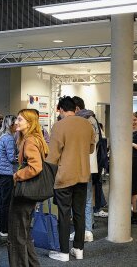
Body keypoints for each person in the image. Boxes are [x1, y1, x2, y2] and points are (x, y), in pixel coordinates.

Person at [46, 96, 94, 262]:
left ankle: (64, 252)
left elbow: (52, 156)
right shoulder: (87, 124)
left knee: (64, 214)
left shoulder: (59, 126)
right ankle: (79, 249)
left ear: (60, 109)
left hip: (64, 176)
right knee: (79, 213)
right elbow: (91, 148)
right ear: (75, 109)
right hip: (83, 174)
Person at [7, 109, 48, 267]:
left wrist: (17, 175)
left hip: (24, 193)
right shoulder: (36, 138)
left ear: (29, 123)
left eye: (20, 120)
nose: (16, 122)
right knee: (23, 233)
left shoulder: (30, 140)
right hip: (30, 193)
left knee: (17, 234)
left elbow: (36, 167)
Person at [72, 96, 99, 242]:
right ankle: (87, 229)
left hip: (83, 163)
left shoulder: (85, 121)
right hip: (89, 164)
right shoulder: (92, 119)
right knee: (86, 197)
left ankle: (85, 230)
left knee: (82, 198)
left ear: (76, 108)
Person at [0, 115, 17, 237]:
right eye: (16, 123)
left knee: (0, 201)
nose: (17, 126)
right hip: (6, 174)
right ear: (11, 125)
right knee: (6, 202)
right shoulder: (9, 139)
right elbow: (12, 158)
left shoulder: (1, 136)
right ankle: (5, 229)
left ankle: (0, 228)